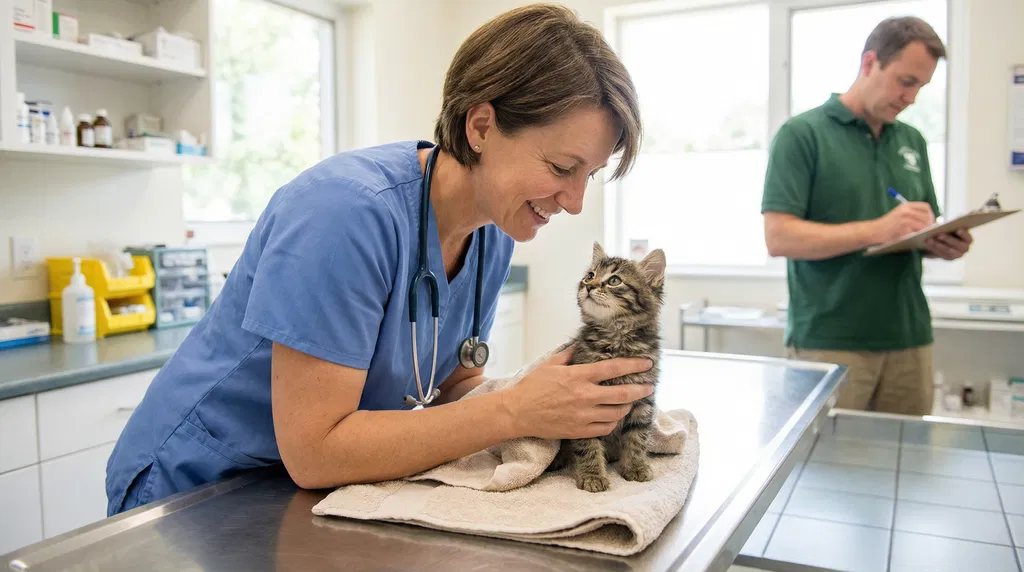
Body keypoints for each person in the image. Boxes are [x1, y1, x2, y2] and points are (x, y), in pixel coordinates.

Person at [105, 3, 650, 515]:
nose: (575, 202)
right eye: (560, 167)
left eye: (590, 175)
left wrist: (545, 397)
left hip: (312, 495)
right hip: (200, 492)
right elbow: (315, 451)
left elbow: (450, 384)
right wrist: (514, 410)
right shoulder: (343, 213)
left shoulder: (495, 230)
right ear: (481, 127)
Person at [760, 16, 972, 416]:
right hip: (831, 339)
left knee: (905, 465)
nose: (911, 97)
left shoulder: (913, 141)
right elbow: (779, 238)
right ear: (870, 62)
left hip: (910, 339)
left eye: (921, 87)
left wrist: (942, 243)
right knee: (827, 469)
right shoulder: (802, 135)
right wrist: (878, 229)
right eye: (905, 81)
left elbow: (919, 228)